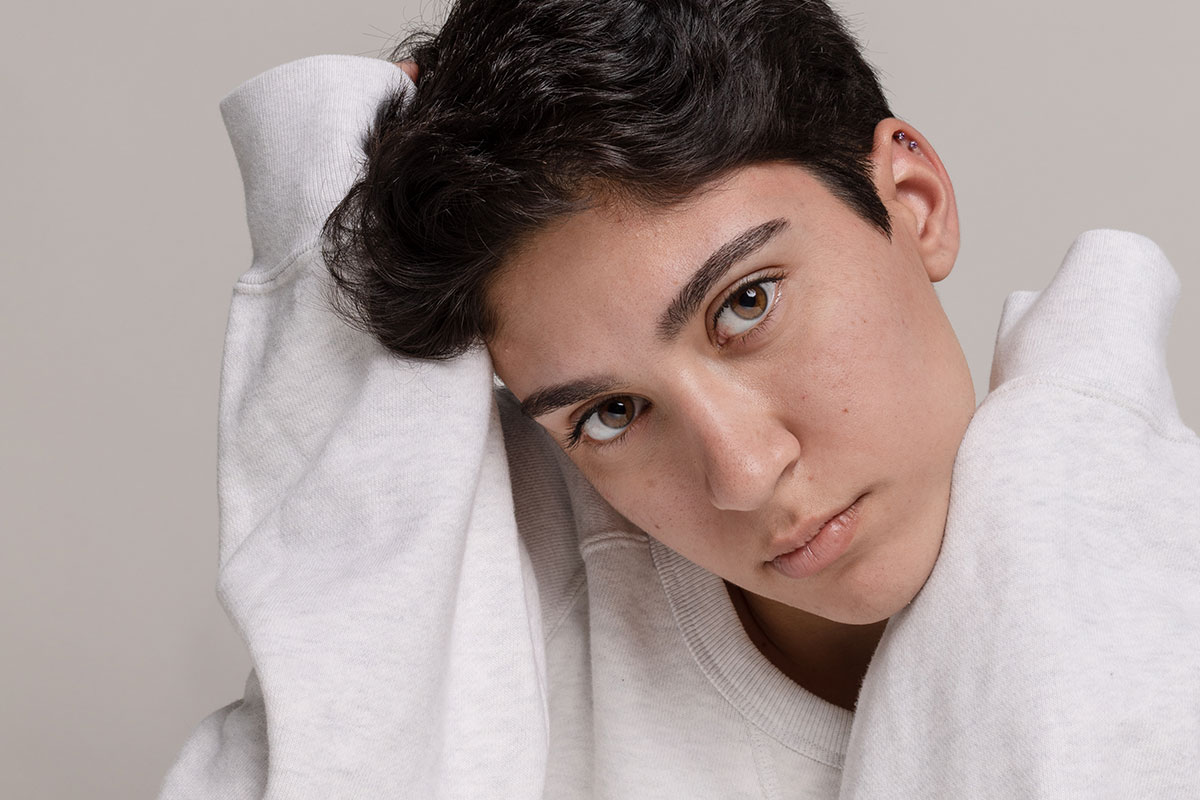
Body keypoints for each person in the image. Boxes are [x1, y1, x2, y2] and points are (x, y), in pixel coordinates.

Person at [159, 1, 1200, 797]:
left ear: (913, 204)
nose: (744, 475)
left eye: (747, 302)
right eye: (608, 413)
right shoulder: (526, 681)